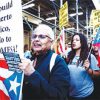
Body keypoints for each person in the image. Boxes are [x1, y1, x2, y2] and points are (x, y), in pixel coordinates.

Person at [19, 24, 70, 100]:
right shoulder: (29, 59)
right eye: (34, 36)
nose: (36, 39)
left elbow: (59, 95)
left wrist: (32, 74)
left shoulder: (58, 62)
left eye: (42, 36)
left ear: (51, 42)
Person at [66, 33, 100, 100]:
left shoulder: (89, 57)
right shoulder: (69, 56)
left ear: (82, 42)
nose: (74, 41)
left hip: (85, 94)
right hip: (71, 94)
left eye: (77, 40)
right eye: (73, 40)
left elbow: (98, 74)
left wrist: (88, 70)